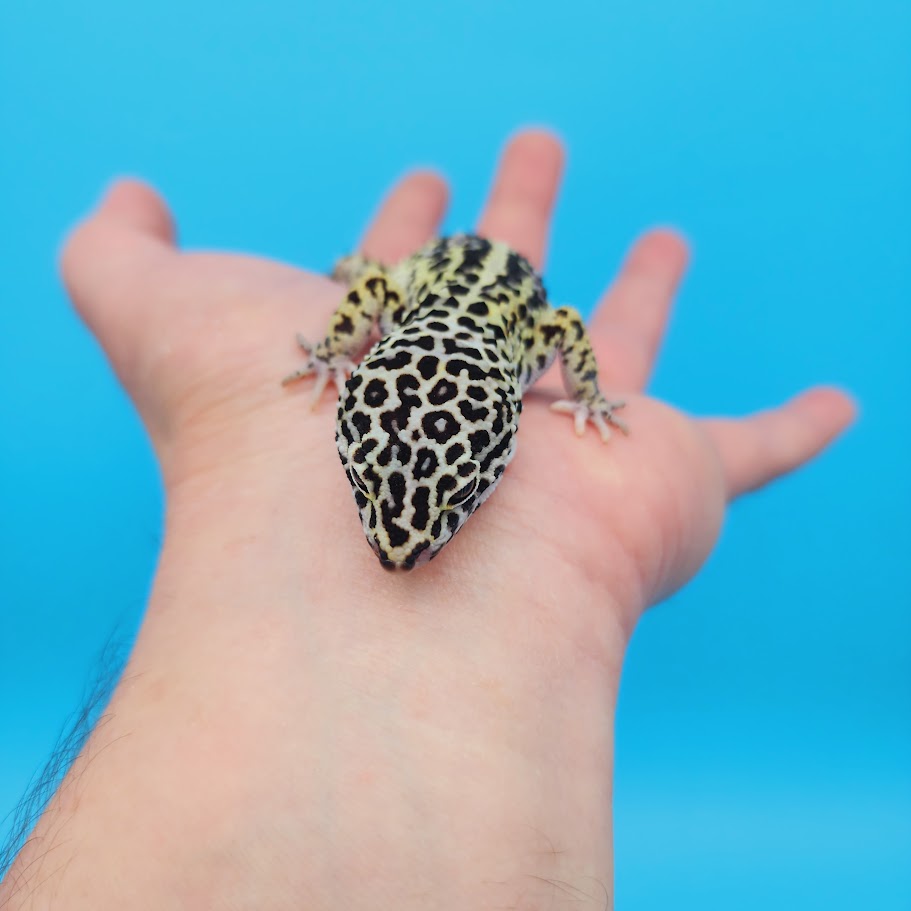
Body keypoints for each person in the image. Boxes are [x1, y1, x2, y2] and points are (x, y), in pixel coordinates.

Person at [0, 129, 853, 909]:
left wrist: (587, 394)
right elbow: (373, 287)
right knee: (369, 273)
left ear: (501, 439)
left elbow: (559, 325)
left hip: (476, 305)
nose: (398, 546)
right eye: (373, 496)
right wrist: (339, 343)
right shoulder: (397, 321)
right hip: (425, 288)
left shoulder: (526, 351)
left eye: (446, 507)